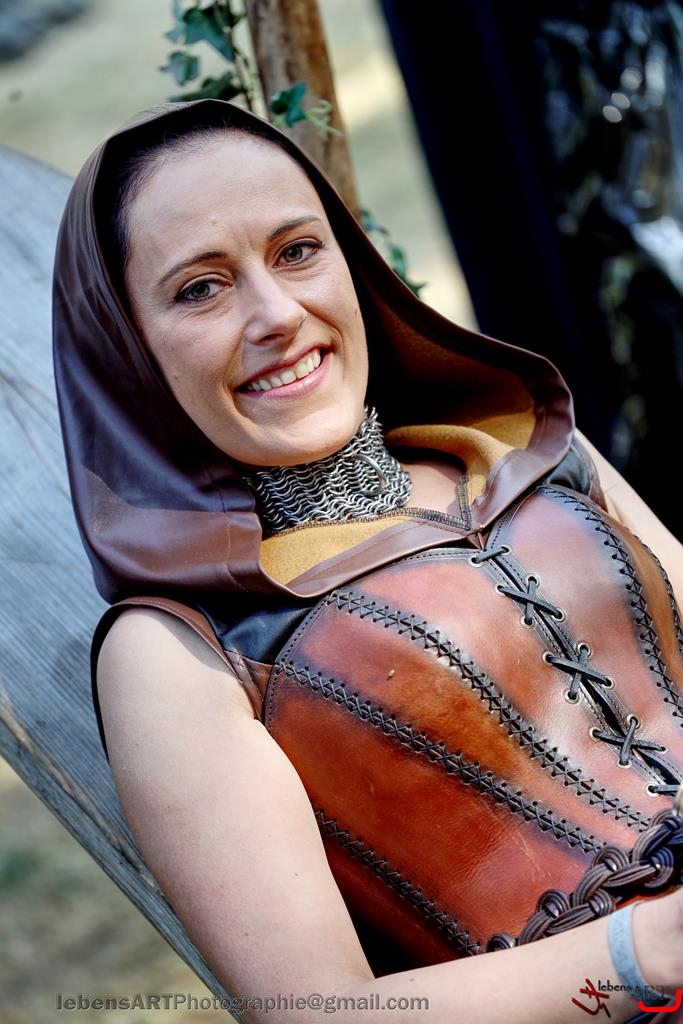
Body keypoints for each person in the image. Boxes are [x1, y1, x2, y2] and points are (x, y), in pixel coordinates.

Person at [52, 98, 683, 1023]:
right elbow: (317, 1012)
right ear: (124, 349)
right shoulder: (181, 652)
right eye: (201, 289)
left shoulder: (525, 451)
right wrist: (649, 950)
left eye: (297, 251)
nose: (277, 314)